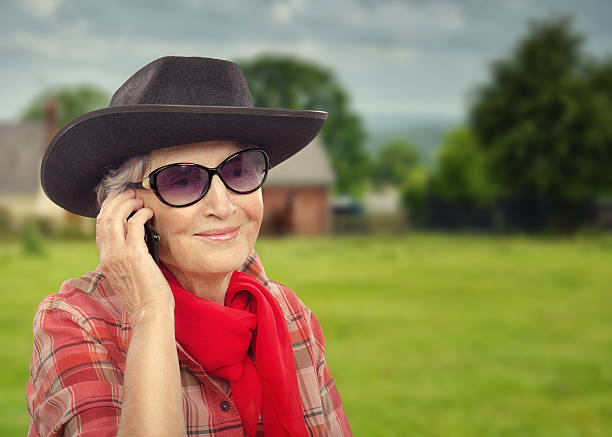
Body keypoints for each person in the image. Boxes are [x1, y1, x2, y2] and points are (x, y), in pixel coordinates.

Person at [26, 56, 352, 437]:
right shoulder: (75, 322)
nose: (223, 205)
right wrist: (151, 314)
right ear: (127, 207)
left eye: (239, 171)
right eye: (182, 180)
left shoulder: (291, 315)